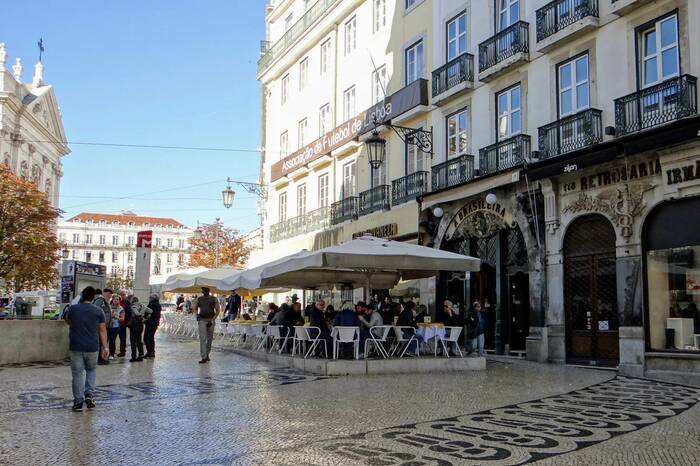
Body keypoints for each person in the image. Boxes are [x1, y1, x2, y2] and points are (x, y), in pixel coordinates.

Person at [64, 286, 109, 412]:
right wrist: (105, 347)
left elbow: (68, 321)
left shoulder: (73, 309)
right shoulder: (98, 311)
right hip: (92, 346)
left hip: (76, 345)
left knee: (77, 374)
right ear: (93, 297)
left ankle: (78, 402)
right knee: (91, 370)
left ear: (83, 296)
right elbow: (102, 329)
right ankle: (88, 394)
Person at [193, 287, 220, 363]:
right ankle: (203, 356)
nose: (204, 292)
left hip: (211, 320)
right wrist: (197, 314)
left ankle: (207, 354)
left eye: (206, 290)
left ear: (208, 291)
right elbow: (194, 308)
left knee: (210, 339)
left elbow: (218, 310)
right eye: (203, 291)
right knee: (203, 338)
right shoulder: (199, 299)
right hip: (202, 320)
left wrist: (213, 319)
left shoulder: (214, 299)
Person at [128, 296, 151, 362]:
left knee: (133, 341)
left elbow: (137, 314)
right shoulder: (142, 305)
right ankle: (141, 355)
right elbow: (151, 311)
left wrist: (140, 315)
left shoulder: (133, 306)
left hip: (134, 325)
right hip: (141, 325)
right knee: (139, 341)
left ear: (132, 301)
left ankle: (133, 357)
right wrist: (145, 319)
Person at [92, 289, 112, 365]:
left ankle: (101, 358)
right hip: (101, 325)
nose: (110, 296)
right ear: (106, 293)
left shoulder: (104, 301)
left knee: (102, 342)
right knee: (101, 342)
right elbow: (95, 310)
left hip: (104, 325)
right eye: (110, 294)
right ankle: (100, 359)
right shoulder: (100, 300)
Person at [144, 294, 162, 359]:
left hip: (150, 323)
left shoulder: (151, 304)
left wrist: (144, 319)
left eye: (150, 298)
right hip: (155, 323)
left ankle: (149, 352)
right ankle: (152, 352)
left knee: (146, 338)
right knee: (151, 338)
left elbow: (147, 313)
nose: (149, 298)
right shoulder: (158, 304)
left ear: (152, 298)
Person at [117, 291, 130, 357]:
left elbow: (129, 312)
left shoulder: (127, 303)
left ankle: (122, 351)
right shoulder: (115, 301)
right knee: (113, 338)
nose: (123, 296)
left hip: (123, 323)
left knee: (122, 338)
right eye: (122, 295)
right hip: (115, 323)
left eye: (124, 295)